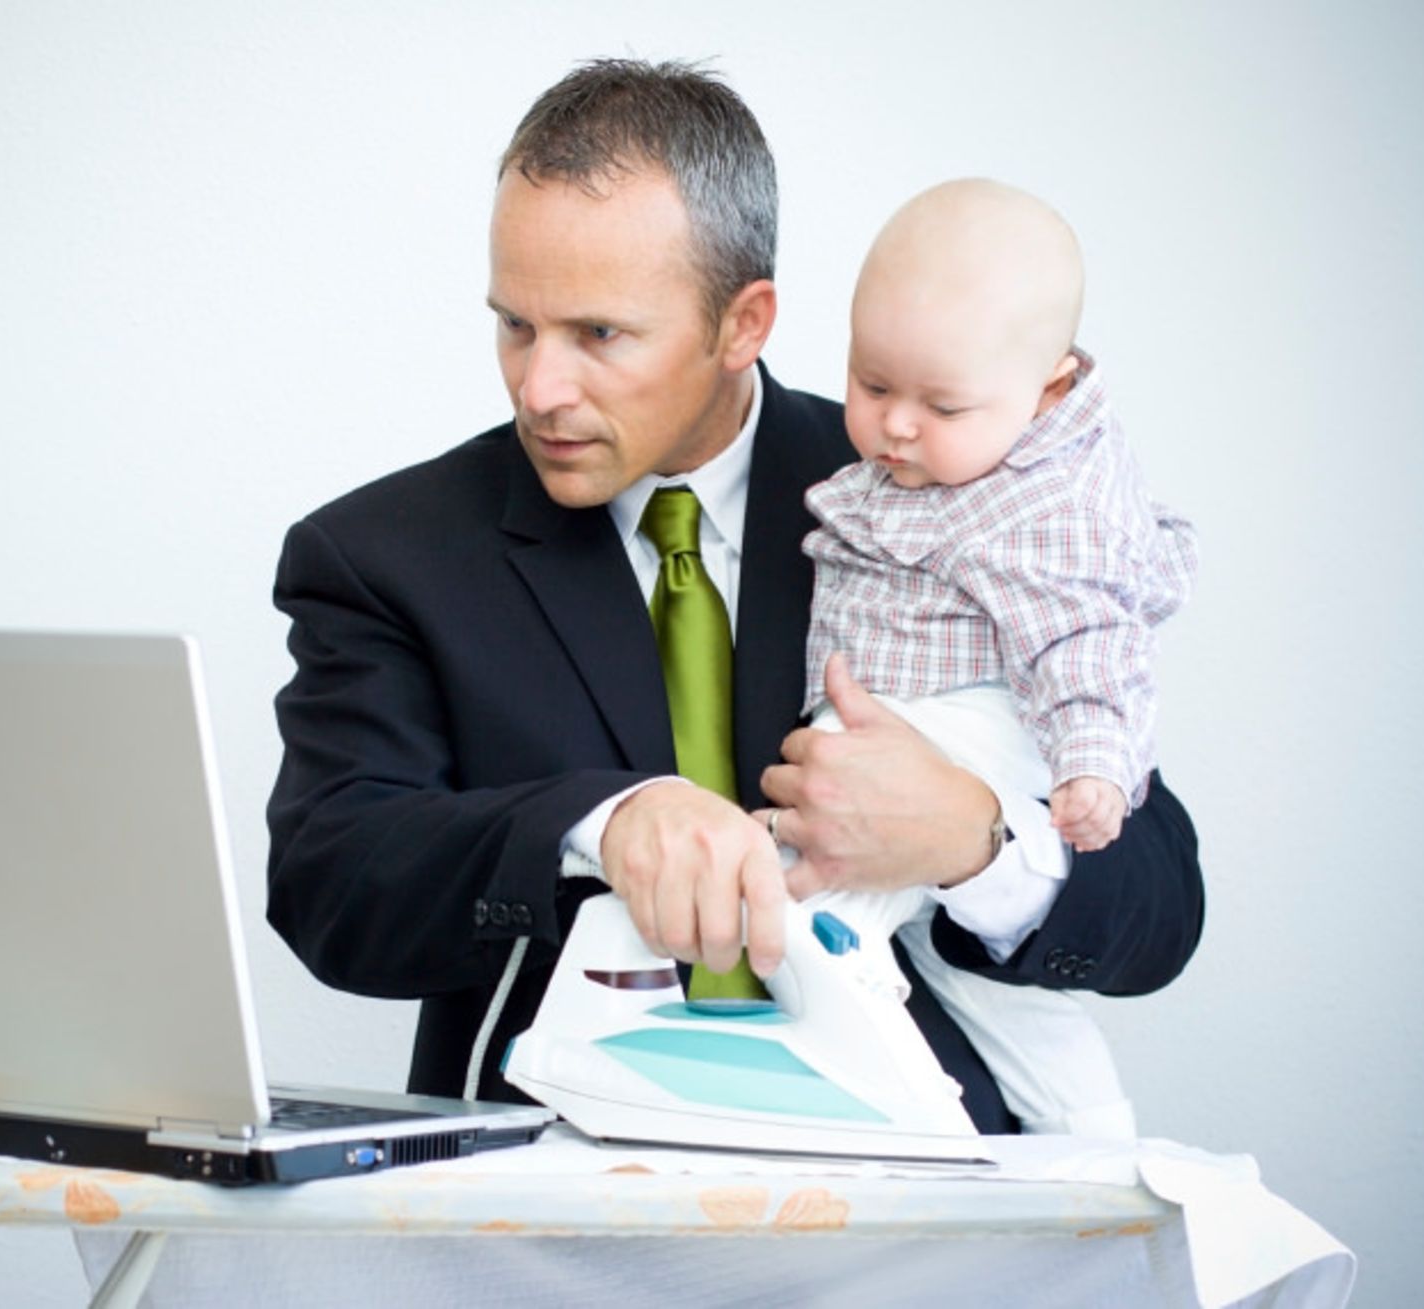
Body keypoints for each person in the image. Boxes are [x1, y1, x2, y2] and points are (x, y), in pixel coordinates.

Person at [266, 58, 1203, 1133]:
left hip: (920, 1184)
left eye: (599, 334)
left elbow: (1159, 904)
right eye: (516, 325)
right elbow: (331, 886)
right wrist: (597, 824)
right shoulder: (382, 553)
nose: (539, 388)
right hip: (559, 1186)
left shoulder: (951, 490)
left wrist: (972, 841)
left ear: (743, 323)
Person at [784, 178, 1199, 1135]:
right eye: (872, 384)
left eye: (941, 404)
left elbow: (1088, 642)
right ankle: (1095, 1138)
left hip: (965, 726)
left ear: (1048, 390)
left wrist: (1086, 769)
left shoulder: (1047, 507)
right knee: (985, 986)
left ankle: (897, 1098)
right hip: (923, 713)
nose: (896, 426)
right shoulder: (909, 466)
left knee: (813, 905)